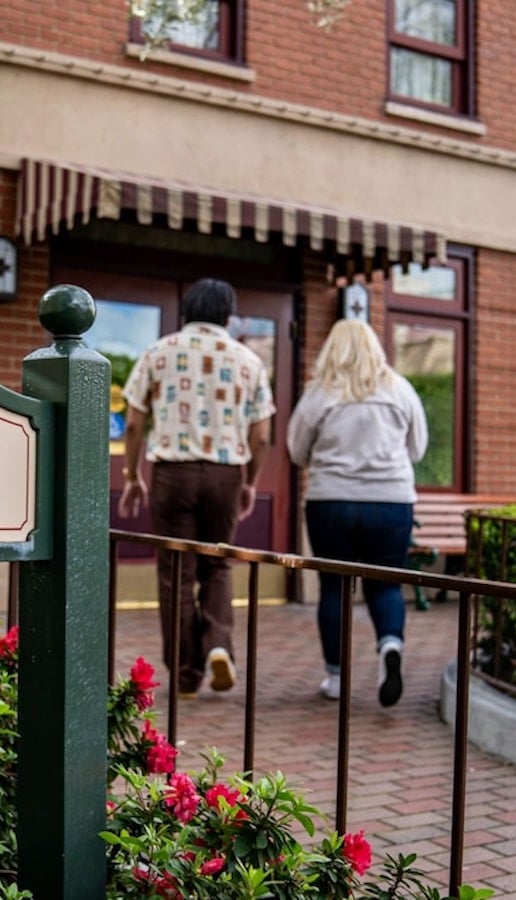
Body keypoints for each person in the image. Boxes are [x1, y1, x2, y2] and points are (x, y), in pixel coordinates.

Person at [118, 278, 275, 699]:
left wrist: (133, 477)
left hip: (173, 473)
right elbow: (261, 436)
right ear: (228, 315)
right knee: (218, 564)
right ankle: (219, 645)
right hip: (226, 474)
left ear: (187, 311)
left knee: (175, 573)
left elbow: (133, 423)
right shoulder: (249, 361)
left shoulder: (159, 352)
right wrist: (250, 481)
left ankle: (186, 674)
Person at [287, 318, 427, 707]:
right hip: (392, 501)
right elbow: (418, 448)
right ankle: (389, 646)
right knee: (386, 585)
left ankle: (336, 677)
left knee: (333, 587)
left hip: (331, 501)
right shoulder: (400, 389)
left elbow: (297, 451)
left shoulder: (319, 393)